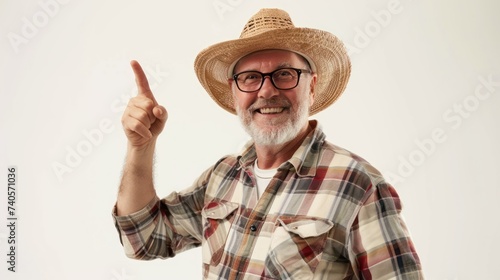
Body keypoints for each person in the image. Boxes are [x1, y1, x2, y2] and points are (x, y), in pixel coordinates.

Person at [112, 8, 424, 279]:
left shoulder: (358, 185)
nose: (266, 91)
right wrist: (141, 147)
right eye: (250, 77)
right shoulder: (223, 177)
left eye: (284, 74)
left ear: (311, 86)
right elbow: (144, 238)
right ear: (235, 93)